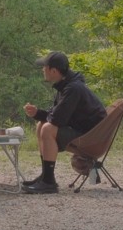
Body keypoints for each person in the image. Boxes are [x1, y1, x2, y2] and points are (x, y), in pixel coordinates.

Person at [20, 51, 106, 194]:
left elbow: (57, 119)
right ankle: (46, 177)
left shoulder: (73, 88)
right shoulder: (66, 85)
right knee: (41, 125)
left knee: (47, 128)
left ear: (53, 71)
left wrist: (41, 115)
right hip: (84, 131)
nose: (42, 70)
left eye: (44, 67)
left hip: (91, 138)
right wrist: (37, 113)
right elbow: (56, 114)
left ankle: (48, 183)